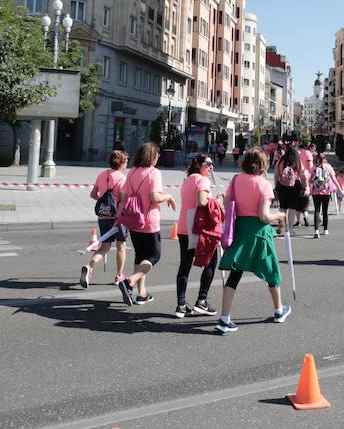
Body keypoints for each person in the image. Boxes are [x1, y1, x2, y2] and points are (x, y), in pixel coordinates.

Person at [215, 148, 290, 332]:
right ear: (263, 165)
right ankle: (278, 310)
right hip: (259, 233)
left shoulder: (235, 180)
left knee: (234, 275)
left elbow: (228, 205)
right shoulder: (263, 184)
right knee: (271, 272)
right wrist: (279, 216)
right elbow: (264, 216)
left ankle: (224, 318)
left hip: (240, 231)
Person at [118, 142, 177, 306]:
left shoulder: (131, 172)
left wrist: (119, 217)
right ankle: (129, 281)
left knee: (140, 256)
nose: (158, 158)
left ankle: (141, 293)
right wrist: (169, 196)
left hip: (133, 220)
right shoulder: (154, 173)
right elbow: (154, 197)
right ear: (152, 156)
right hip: (149, 221)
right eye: (157, 155)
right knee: (154, 256)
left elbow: (124, 197)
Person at [173, 154, 219, 318]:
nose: (211, 167)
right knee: (211, 262)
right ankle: (201, 301)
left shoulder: (187, 180)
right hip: (199, 228)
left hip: (184, 226)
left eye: (212, 164)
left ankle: (181, 305)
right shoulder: (202, 180)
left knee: (184, 266)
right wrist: (215, 201)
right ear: (199, 165)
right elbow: (201, 202)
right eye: (208, 164)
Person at [80, 149, 128, 289]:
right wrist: (118, 216)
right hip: (116, 217)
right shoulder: (122, 179)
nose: (127, 164)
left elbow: (93, 194)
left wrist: (104, 200)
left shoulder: (102, 175)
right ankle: (119, 276)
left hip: (102, 215)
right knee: (121, 245)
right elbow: (123, 201)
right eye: (126, 161)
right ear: (121, 163)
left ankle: (89, 267)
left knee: (104, 246)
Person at [273, 145, 307, 235]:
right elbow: (302, 175)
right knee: (292, 208)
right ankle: (290, 229)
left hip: (282, 185)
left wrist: (276, 185)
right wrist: (304, 186)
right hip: (295, 186)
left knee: (282, 207)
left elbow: (276, 175)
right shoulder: (298, 162)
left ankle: (280, 224)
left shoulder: (280, 161)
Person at [308, 148, 340, 238]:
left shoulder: (314, 168)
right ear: (325, 159)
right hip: (326, 192)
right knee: (325, 211)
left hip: (315, 192)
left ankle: (316, 231)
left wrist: (309, 189)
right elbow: (334, 179)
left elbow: (310, 180)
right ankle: (325, 230)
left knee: (317, 211)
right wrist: (340, 189)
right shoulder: (328, 167)